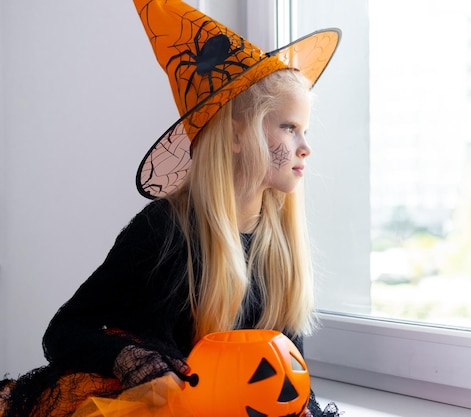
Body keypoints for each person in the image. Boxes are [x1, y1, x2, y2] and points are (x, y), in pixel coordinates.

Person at [0, 0, 341, 416]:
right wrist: (132, 361)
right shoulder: (163, 230)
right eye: (288, 127)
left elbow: (284, 363)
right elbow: (65, 331)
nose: (305, 147)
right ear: (236, 135)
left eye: (303, 129)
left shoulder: (278, 239)